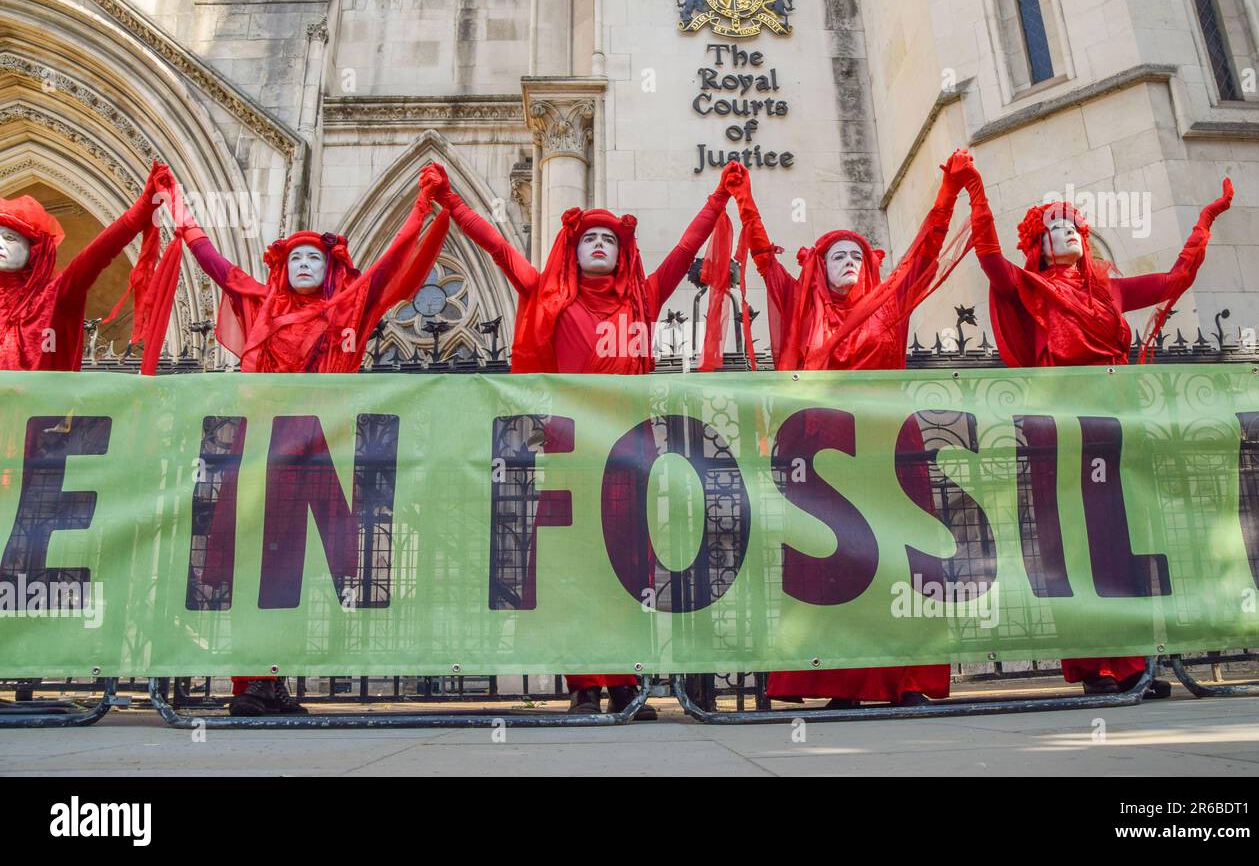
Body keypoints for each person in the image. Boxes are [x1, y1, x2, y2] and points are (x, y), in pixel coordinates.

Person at [434, 160, 739, 718]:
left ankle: (626, 684)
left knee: (628, 567)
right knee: (569, 568)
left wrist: (719, 197)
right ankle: (584, 686)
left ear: (622, 253)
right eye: (589, 238)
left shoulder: (642, 299)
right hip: (570, 456)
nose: (599, 244)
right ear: (571, 250)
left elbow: (680, 252)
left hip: (628, 455)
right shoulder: (550, 295)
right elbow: (500, 250)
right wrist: (452, 202)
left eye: (609, 239)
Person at [175, 164, 451, 716]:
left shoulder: (348, 307)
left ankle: (270, 679)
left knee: (307, 570)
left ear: (329, 270)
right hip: (261, 455)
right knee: (253, 564)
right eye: (295, 257)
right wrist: (183, 221)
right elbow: (217, 267)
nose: (304, 264)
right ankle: (251, 682)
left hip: (323, 455)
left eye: (315, 258)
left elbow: (393, 263)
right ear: (283, 268)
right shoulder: (259, 305)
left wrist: (422, 207)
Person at [966, 153, 1234, 699]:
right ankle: (1095, 665)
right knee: (1069, 539)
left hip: (1112, 427)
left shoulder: (1111, 291)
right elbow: (990, 258)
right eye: (1051, 228)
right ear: (1038, 244)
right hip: (1059, 431)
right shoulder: (1030, 287)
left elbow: (1176, 278)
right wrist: (974, 188)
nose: (1063, 233)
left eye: (1070, 226)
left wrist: (1205, 220)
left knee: (1119, 537)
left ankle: (1131, 660)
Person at [725, 151, 975, 708]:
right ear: (819, 265)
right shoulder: (799, 303)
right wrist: (744, 200)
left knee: (898, 563)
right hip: (820, 453)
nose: (847, 262)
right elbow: (765, 260)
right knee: (833, 565)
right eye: (836, 255)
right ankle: (842, 682)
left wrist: (948, 192)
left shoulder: (890, 307)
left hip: (888, 449)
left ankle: (904, 679)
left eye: (855, 255)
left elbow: (924, 254)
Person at [1, 161, 178, 372]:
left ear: (35, 250)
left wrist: (143, 207)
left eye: (9, 237)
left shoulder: (53, 298)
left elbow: (94, 257)